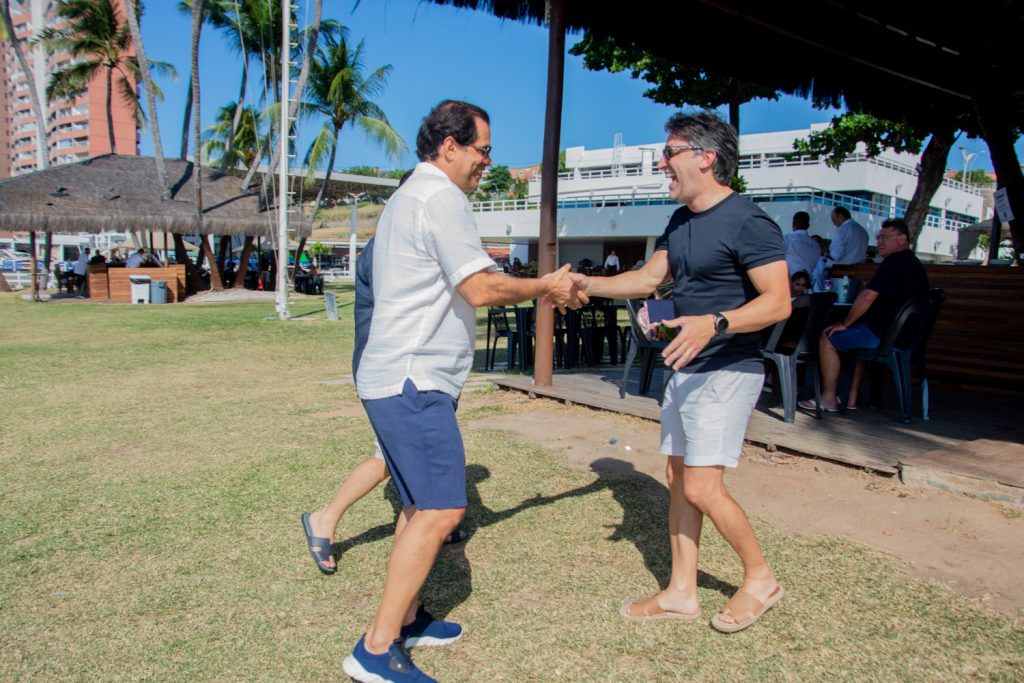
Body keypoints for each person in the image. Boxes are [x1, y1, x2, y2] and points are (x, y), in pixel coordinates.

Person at [342, 100, 585, 683]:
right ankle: (375, 649)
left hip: (401, 375)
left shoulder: (409, 196)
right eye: (484, 150)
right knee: (442, 509)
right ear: (449, 147)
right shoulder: (441, 197)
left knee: (417, 507)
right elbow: (480, 288)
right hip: (413, 379)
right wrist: (546, 286)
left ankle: (405, 620)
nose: (487, 162)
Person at [569, 112, 791, 634]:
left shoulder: (749, 222)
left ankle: (761, 579)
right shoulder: (680, 220)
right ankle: (681, 591)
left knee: (702, 487)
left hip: (729, 368)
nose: (661, 163)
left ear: (705, 158)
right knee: (677, 479)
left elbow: (778, 302)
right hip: (686, 367)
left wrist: (715, 323)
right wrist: (584, 284)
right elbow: (649, 278)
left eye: (669, 153)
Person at [302, 174, 467, 579]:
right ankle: (326, 518)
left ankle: (427, 525)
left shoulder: (395, 240)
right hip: (396, 371)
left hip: (406, 368)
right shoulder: (391, 245)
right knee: (389, 459)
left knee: (396, 460)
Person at [800, 218, 928, 412]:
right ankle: (851, 398)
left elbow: (867, 296)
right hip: (902, 337)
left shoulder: (894, 262)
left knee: (827, 337)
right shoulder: (914, 265)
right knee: (856, 336)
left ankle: (828, 399)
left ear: (902, 239)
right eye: (878, 237)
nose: (879, 242)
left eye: (884, 237)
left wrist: (845, 323)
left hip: (884, 336)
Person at [783, 211, 820, 276]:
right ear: (808, 226)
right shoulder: (816, 246)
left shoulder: (787, 239)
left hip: (791, 280)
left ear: (793, 224)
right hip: (809, 281)